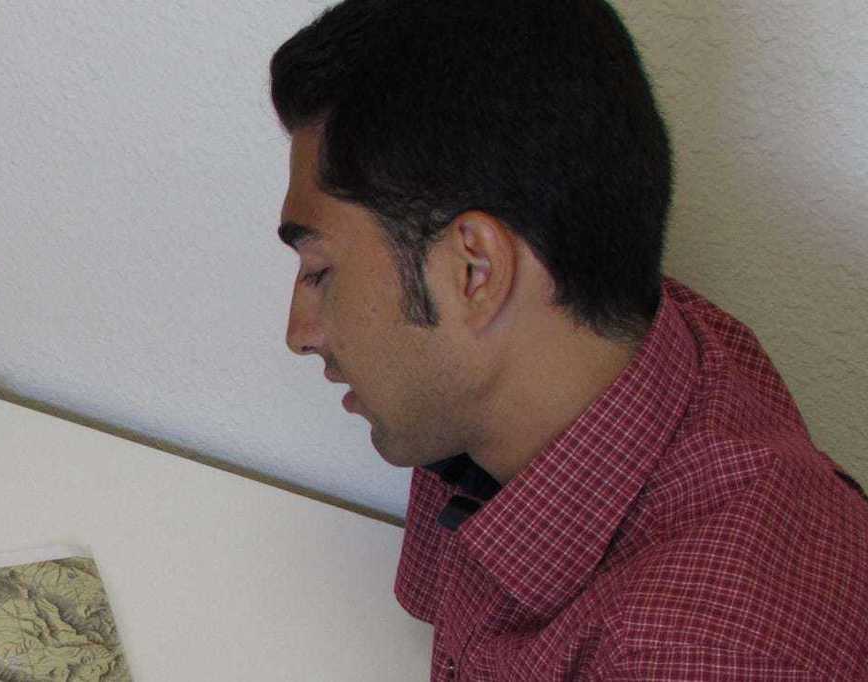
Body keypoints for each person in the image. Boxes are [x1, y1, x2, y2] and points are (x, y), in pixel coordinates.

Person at [268, 0, 868, 678]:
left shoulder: (692, 655)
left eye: (320, 271)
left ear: (476, 271)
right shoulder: (531, 382)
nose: (301, 333)